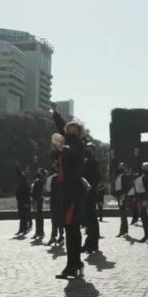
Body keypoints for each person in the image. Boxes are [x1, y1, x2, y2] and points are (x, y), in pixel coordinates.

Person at [51, 101, 87, 279]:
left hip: (74, 192)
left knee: (72, 227)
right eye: (69, 128)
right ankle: (75, 263)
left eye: (74, 129)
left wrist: (62, 148)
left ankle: (73, 264)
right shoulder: (68, 141)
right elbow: (59, 126)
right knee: (69, 228)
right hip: (67, 190)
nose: (71, 131)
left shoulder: (78, 145)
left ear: (79, 132)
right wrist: (55, 111)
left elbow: (72, 151)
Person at [82, 144, 102, 253]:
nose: (87, 151)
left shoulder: (92, 163)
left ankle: (92, 244)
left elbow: (96, 177)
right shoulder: (88, 163)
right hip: (88, 193)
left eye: (89, 150)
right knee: (89, 219)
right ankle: (90, 243)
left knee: (91, 219)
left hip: (90, 193)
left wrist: (92, 187)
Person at [46, 160, 65, 246]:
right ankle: (60, 236)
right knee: (60, 219)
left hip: (54, 201)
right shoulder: (64, 177)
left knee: (54, 219)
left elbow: (48, 190)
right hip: (61, 201)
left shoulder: (51, 178)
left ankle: (54, 236)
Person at [15, 166, 32, 237]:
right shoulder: (19, 185)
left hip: (25, 203)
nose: (19, 180)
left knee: (25, 217)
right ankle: (21, 229)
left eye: (21, 179)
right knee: (21, 216)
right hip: (20, 202)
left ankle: (25, 229)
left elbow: (28, 195)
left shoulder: (26, 185)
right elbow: (17, 193)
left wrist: (27, 203)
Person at [31, 169, 47, 241]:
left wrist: (36, 200)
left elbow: (38, 192)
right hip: (36, 199)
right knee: (37, 217)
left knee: (39, 217)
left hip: (38, 200)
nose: (38, 172)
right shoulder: (38, 180)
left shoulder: (41, 181)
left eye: (39, 172)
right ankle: (38, 232)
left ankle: (41, 232)